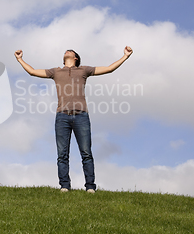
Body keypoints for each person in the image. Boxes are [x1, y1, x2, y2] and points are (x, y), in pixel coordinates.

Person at [14, 47, 133, 193]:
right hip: (62, 116)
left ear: (76, 58)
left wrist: (125, 56)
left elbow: (109, 69)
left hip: (81, 115)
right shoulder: (55, 72)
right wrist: (20, 59)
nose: (67, 51)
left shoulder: (84, 70)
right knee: (62, 154)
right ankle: (65, 186)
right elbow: (32, 71)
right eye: (66, 51)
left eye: (70, 51)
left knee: (86, 152)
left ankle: (90, 187)